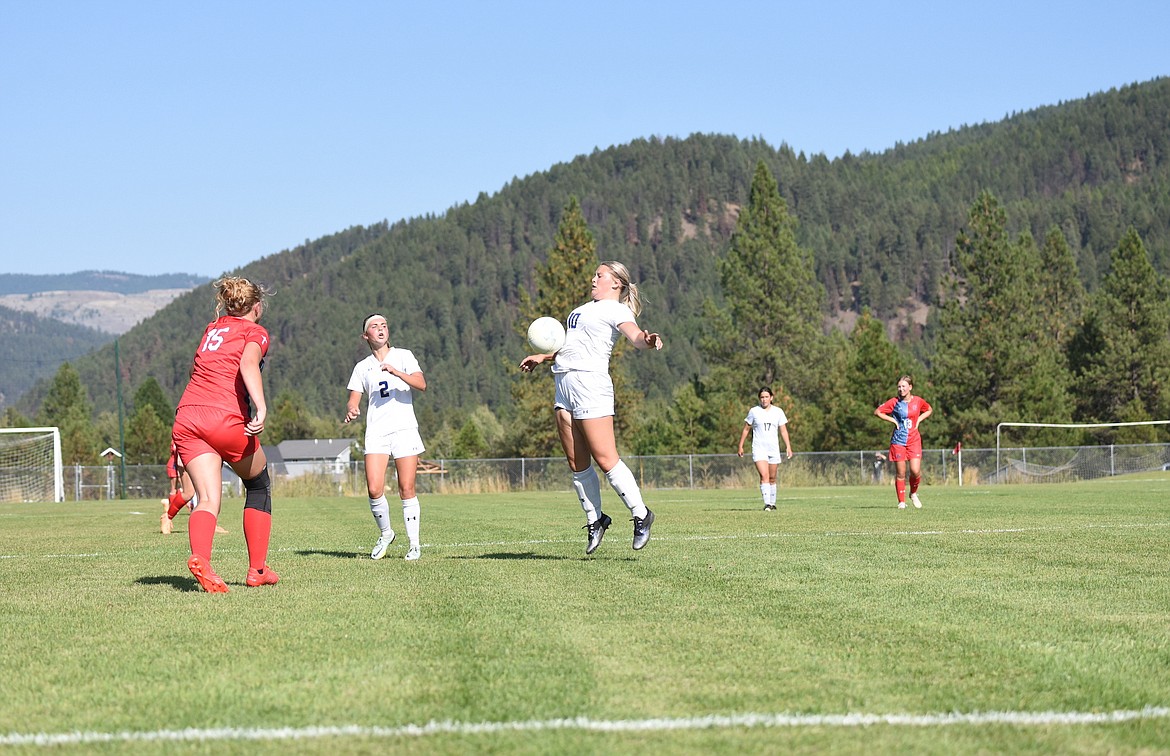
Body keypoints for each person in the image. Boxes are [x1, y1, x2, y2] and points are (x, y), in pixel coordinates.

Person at [520, 261, 664, 555]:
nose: (593, 279)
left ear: (616, 283)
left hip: (590, 384)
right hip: (564, 382)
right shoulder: (581, 310)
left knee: (606, 458)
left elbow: (635, 336)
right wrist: (543, 356)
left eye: (600, 275)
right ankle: (595, 520)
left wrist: (647, 341)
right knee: (577, 462)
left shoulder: (616, 309)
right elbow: (570, 346)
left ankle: (641, 513)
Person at [171, 276, 278, 592]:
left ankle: (201, 558)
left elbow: (197, 371)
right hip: (224, 417)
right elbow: (247, 365)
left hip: (188, 416)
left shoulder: (211, 329)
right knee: (258, 484)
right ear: (256, 307)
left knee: (207, 498)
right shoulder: (255, 331)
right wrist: (260, 407)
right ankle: (257, 570)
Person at [345, 313, 427, 562]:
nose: (380, 329)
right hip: (377, 431)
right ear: (365, 335)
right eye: (374, 326)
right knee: (374, 488)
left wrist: (397, 372)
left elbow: (421, 384)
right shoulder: (362, 366)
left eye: (384, 325)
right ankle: (386, 533)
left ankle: (414, 545)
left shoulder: (404, 355)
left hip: (404, 429)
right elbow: (353, 398)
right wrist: (352, 409)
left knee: (406, 488)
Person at [874, 374, 933, 509]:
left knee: (915, 470)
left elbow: (929, 410)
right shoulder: (894, 402)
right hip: (898, 441)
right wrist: (893, 420)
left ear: (910, 387)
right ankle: (901, 502)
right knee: (901, 473)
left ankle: (913, 493)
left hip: (914, 441)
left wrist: (918, 420)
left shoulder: (918, 401)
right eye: (899, 387)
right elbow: (878, 412)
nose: (901, 389)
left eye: (903, 386)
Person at [737, 386, 793, 511]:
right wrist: (740, 445)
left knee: (772, 478)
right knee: (764, 475)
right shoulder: (754, 411)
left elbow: (783, 431)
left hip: (773, 448)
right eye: (762, 397)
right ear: (759, 398)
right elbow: (746, 429)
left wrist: (788, 446)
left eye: (766, 397)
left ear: (771, 398)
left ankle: (772, 504)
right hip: (759, 448)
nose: (764, 399)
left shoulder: (778, 411)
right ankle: (767, 503)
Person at [160, 443, 228, 535]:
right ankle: (167, 517)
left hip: (205, 456)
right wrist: (180, 456)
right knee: (188, 493)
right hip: (188, 455)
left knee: (212, 493)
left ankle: (212, 524)